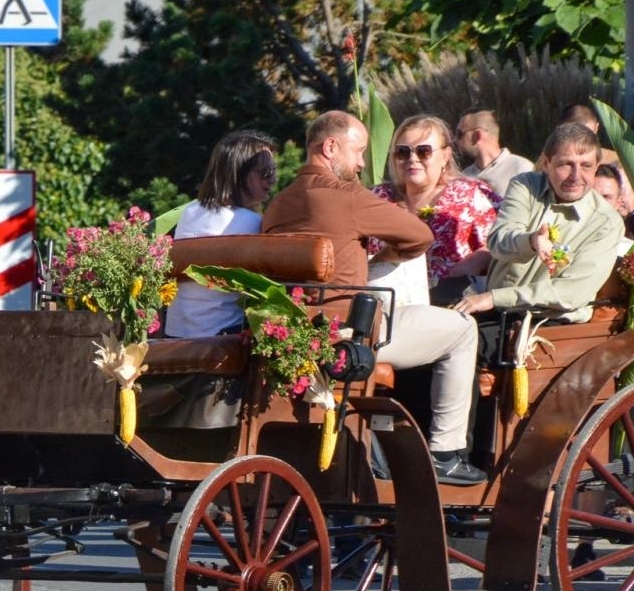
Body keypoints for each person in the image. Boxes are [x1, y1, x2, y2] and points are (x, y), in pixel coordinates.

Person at [261, 110, 484, 484]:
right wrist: (382, 259)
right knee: (462, 328)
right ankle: (445, 452)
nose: (363, 162)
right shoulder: (347, 196)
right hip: (352, 334)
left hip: (294, 332)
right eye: (358, 151)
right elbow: (420, 236)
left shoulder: (279, 203)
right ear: (331, 147)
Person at [451, 123, 626, 323]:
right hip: (496, 310)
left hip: (550, 322)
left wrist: (497, 298)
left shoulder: (607, 222)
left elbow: (569, 293)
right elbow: (499, 242)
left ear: (596, 167)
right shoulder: (526, 185)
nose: (575, 176)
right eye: (565, 165)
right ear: (546, 163)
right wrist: (531, 241)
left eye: (586, 166)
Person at [369, 114, 499, 306]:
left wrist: (472, 262)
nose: (412, 159)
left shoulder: (470, 194)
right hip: (386, 303)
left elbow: (502, 242)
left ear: (445, 155)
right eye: (403, 152)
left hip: (450, 301)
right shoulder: (378, 197)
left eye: (423, 151)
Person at [165, 129, 277, 337]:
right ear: (240, 174)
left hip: (175, 333)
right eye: (266, 172)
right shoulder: (252, 222)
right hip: (222, 336)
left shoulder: (190, 212)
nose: (273, 180)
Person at [456, 107, 534, 195]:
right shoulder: (463, 178)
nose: (455, 140)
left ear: (477, 136)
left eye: (459, 134)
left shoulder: (522, 169)